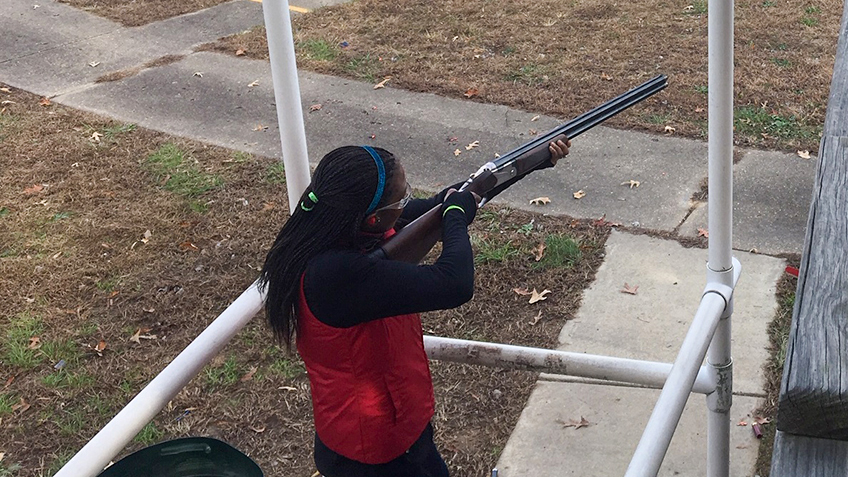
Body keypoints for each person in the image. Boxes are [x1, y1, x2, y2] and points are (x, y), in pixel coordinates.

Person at [259, 140, 569, 477]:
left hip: (400, 431)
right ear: (374, 216)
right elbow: (454, 283)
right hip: (372, 454)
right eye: (401, 197)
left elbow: (445, 203)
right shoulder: (332, 275)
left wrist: (528, 164)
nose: (407, 202)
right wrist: (455, 215)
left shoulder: (345, 223)